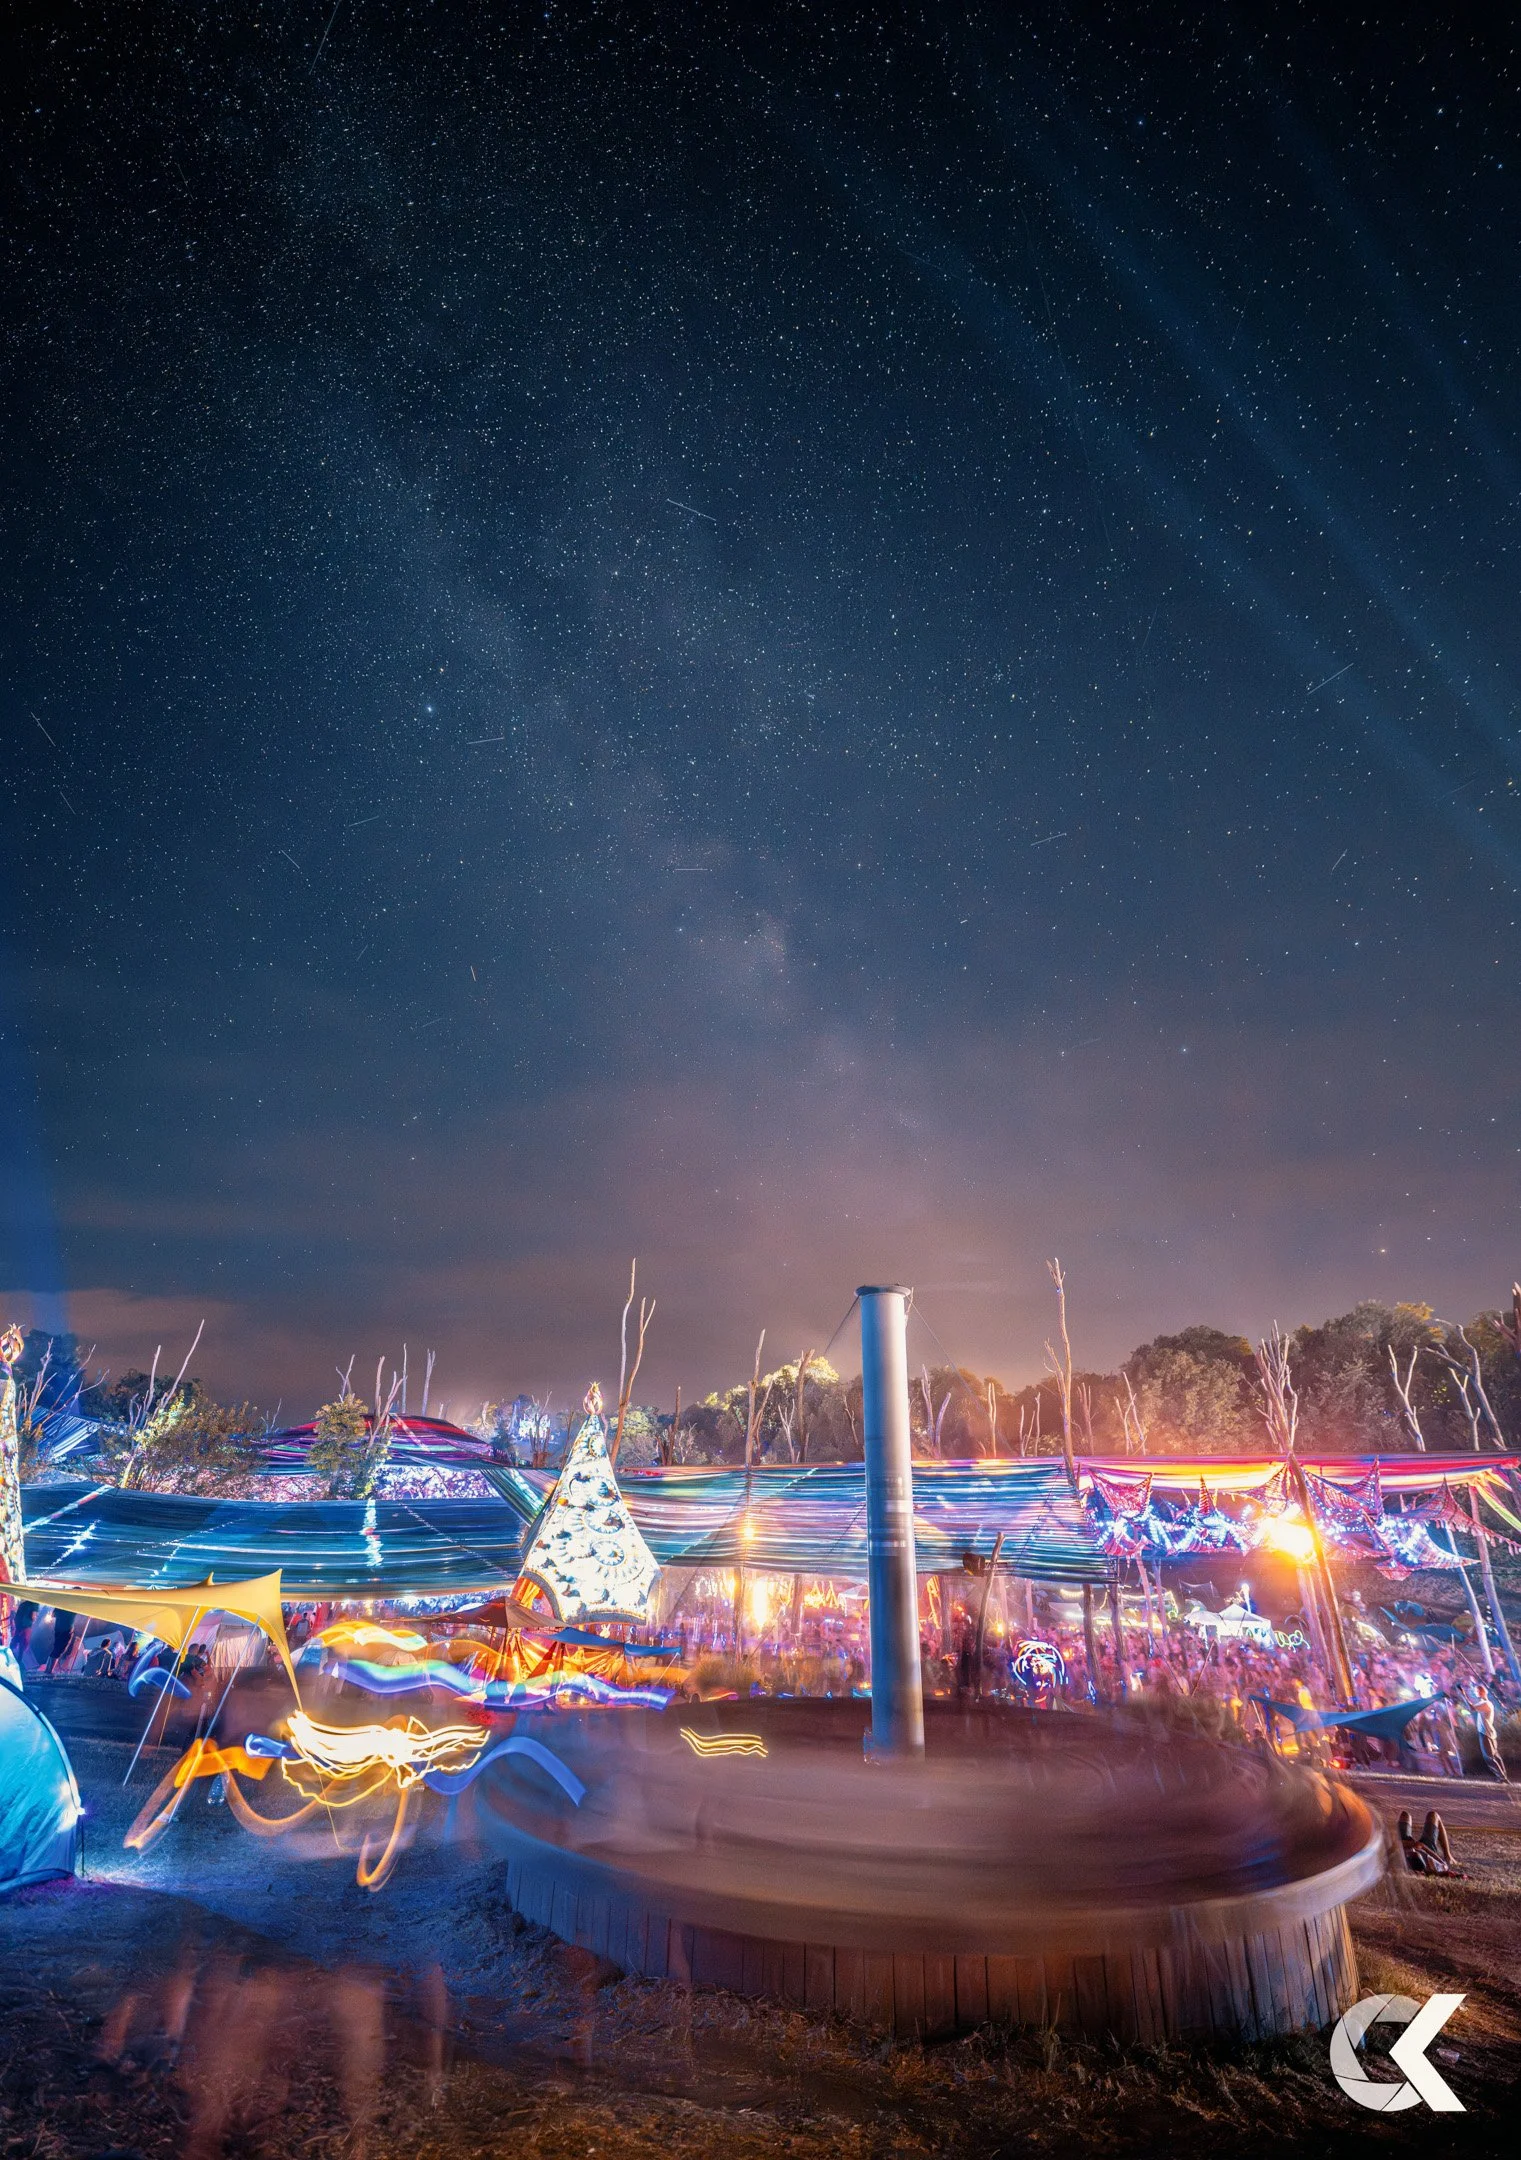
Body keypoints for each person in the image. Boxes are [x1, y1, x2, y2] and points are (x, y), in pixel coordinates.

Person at [1397, 1808, 1464, 1877]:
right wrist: (1423, 1846)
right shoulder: (1438, 1867)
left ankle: (1410, 1847)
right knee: (1433, 1815)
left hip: (1404, 1846)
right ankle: (1448, 1856)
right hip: (1426, 1849)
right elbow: (1437, 1860)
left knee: (1405, 1815)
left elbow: (1394, 1849)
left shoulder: (1401, 1861)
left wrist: (1404, 1844)